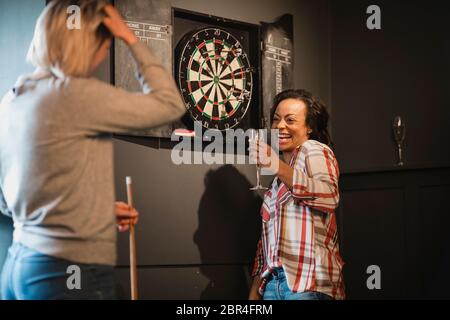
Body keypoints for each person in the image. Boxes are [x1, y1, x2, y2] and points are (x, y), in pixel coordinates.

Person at [0, 0, 185, 300]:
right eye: (105, 43)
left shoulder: (14, 99)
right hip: (67, 272)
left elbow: (8, 201)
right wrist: (130, 37)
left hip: (20, 266)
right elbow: (170, 103)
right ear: (87, 44)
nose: (104, 54)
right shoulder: (75, 95)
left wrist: (93, 212)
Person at [248, 89, 345, 300]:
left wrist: (276, 165)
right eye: (276, 119)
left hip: (308, 283)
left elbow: (329, 196)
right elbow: (266, 248)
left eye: (290, 120)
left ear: (309, 127)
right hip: (272, 286)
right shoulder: (276, 184)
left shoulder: (313, 149)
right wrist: (254, 293)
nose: (280, 126)